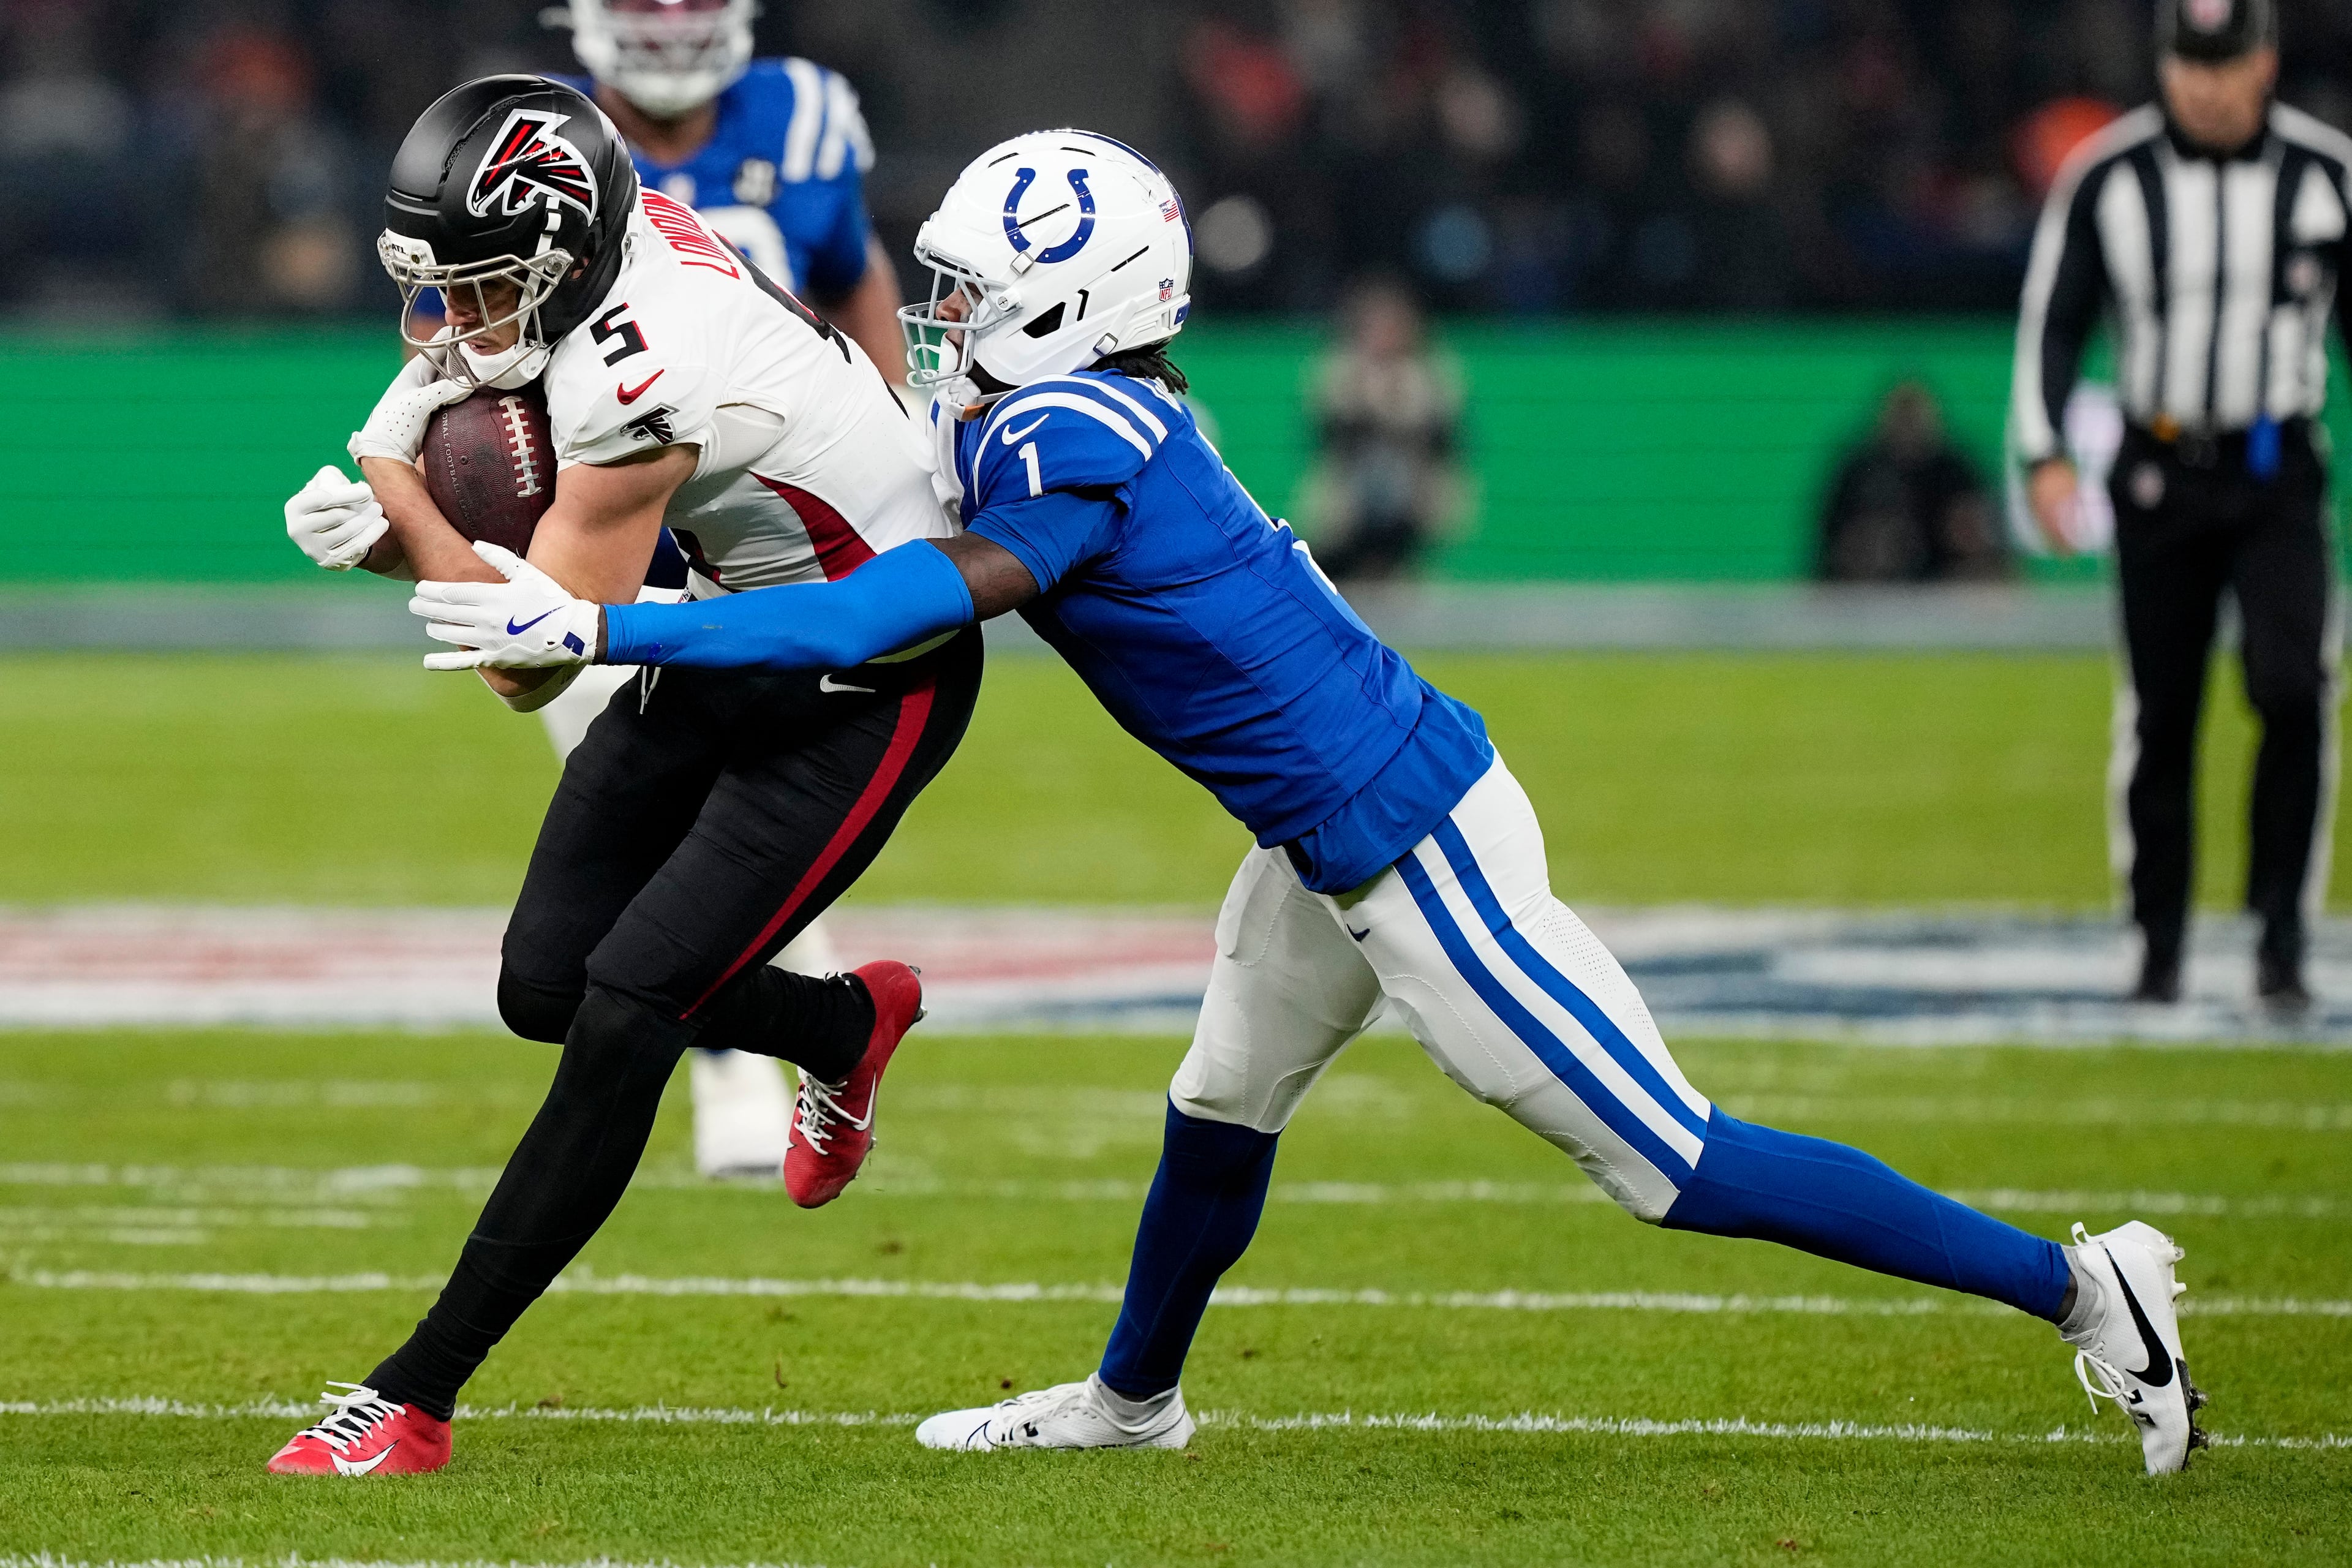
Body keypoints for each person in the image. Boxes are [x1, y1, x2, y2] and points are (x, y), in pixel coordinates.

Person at [416, 129, 2211, 1477]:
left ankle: (2080, 1285)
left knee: (1671, 1163)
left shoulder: (1067, 443)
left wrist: (601, 616)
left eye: (969, 301)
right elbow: (825, 414)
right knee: (1217, 1100)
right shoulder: (1077, 406)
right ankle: (1131, 1403)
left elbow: (895, 601)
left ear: (1065, 311)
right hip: (1318, 833)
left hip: (1410, 846)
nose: (943, 320)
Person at [266, 75, 979, 1476]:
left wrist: (392, 506)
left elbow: (531, 656)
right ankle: (839, 1027)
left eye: (478, 286)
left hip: (863, 681)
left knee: (625, 1006)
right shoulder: (613, 242)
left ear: (558, 249)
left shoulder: (638, 370)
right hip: (724, 633)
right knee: (544, 983)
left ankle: (416, 1391)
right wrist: (407, 450)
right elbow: (457, 378)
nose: (455, 321)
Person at [543, 0, 910, 1172]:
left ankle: (796, 1051)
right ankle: (747, 1068)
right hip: (610, 549)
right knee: (659, 840)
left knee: (749, 838)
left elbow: (852, 274)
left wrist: (899, 442)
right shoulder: (537, 137)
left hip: (767, 549)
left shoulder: (801, 116)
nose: (666, 24)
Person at [2012, 0, 2342, 1011]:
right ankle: (2156, 943)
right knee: (2162, 716)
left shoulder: (2325, 176)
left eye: (2224, 60)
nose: (2204, 83)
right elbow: (2053, 326)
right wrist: (2044, 452)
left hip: (2277, 467)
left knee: (2293, 689)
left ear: (2265, 62)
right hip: (2157, 474)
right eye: (2188, 62)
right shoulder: (2108, 175)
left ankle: (2280, 935)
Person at [1297, 277, 1466, 582]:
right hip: (1352, 490)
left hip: (1411, 490)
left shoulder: (1428, 373)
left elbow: (1443, 439)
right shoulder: (1342, 371)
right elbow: (1330, 434)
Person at [1816, 380, 2008, 583]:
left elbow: (1984, 537)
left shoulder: (1954, 472)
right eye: (1901, 417)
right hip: (1867, 592)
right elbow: (1830, 545)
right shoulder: (1861, 472)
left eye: (1914, 417)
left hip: (1946, 589)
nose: (1908, 425)